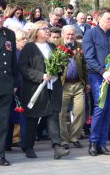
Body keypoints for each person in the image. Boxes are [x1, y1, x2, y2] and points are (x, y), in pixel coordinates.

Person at [19, 21, 70, 159]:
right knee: (33, 118)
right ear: (36, 32)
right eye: (44, 29)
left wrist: (57, 69)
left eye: (48, 29)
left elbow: (59, 66)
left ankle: (57, 146)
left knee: (53, 115)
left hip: (53, 86)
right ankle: (28, 146)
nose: (48, 31)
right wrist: (41, 76)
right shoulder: (29, 48)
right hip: (35, 88)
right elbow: (23, 68)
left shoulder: (52, 46)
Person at [83, 7, 110, 156]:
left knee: (108, 109)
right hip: (97, 76)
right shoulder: (90, 34)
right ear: (98, 18)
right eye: (108, 19)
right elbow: (89, 59)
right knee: (100, 107)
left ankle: (102, 143)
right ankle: (93, 142)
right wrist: (103, 72)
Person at [0, 0, 18, 166]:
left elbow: (13, 61)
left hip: (4, 84)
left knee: (1, 122)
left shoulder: (9, 34)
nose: (0, 19)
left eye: (2, 16)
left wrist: (14, 83)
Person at [58, 25, 88, 149]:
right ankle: (64, 140)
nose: (70, 37)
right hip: (63, 84)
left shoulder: (79, 46)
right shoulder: (56, 45)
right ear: (63, 34)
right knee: (62, 113)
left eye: (72, 34)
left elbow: (85, 65)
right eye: (68, 34)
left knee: (80, 111)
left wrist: (87, 82)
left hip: (78, 84)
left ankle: (74, 137)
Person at [6, 30, 28, 152]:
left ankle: (24, 142)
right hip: (14, 88)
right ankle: (7, 143)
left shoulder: (26, 53)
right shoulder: (13, 54)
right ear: (16, 41)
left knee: (22, 116)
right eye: (22, 39)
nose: (25, 41)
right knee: (10, 117)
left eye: (26, 39)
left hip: (24, 88)